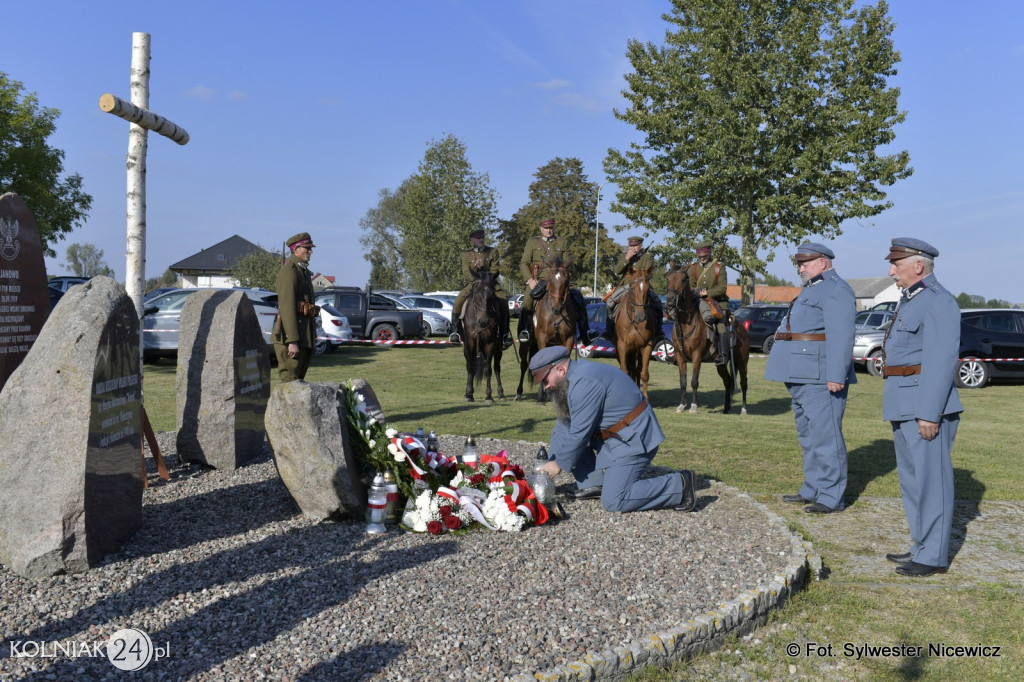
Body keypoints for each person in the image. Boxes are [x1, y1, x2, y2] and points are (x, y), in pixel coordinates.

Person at [529, 345, 697, 512]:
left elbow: (580, 433)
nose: (546, 387)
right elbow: (565, 428)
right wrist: (544, 474)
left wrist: (557, 464)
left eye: (545, 380)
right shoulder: (574, 376)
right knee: (563, 430)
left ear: (560, 370)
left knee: (614, 501)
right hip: (613, 436)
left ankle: (680, 484)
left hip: (633, 439)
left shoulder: (584, 382)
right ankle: (599, 483)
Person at [881, 238, 962, 577]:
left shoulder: (938, 301)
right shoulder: (912, 299)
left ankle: (933, 556)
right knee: (913, 482)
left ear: (918, 266)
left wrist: (930, 412)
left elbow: (941, 361)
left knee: (932, 483)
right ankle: (921, 545)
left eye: (896, 265)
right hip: (903, 400)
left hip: (923, 406)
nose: (891, 271)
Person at [764, 242, 856, 514]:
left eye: (806, 262)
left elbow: (842, 335)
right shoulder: (814, 288)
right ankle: (813, 488)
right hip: (802, 373)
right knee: (809, 435)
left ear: (823, 263)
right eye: (799, 263)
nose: (800, 267)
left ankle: (830, 496)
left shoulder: (836, 289)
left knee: (826, 437)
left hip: (819, 375)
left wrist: (836, 375)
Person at [517, 217, 592, 344]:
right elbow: (524, 263)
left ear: (554, 228)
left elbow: (567, 262)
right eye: (546, 228)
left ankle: (586, 332)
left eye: (551, 228)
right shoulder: (532, 243)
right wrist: (529, 280)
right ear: (541, 229)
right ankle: (525, 331)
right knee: (528, 301)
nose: (548, 231)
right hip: (540, 280)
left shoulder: (562, 242)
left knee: (579, 298)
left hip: (559, 280)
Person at [449, 229, 513, 348]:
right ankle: (455, 332)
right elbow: (466, 272)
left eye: (482, 237)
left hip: (490, 283)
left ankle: (504, 335)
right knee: (458, 302)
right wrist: (476, 281)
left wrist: (487, 280)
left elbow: (495, 269)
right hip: (473, 284)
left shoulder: (492, 251)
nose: (481, 240)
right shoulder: (467, 255)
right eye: (478, 238)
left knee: (503, 301)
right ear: (472, 240)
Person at [273, 232, 319, 382]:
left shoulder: (302, 271)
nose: (310, 251)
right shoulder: (290, 271)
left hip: (303, 336)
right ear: (296, 249)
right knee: (289, 382)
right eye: (307, 248)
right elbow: (286, 307)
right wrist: (292, 340)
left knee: (298, 382)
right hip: (293, 338)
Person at [605, 236, 664, 336]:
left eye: (635, 246)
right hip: (625, 286)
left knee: (658, 304)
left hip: (641, 286)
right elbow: (617, 271)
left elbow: (649, 273)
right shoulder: (624, 256)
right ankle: (609, 330)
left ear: (640, 246)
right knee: (610, 303)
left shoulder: (647, 256)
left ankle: (658, 330)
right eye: (631, 246)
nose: (632, 248)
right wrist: (627, 258)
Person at [688, 241, 731, 365]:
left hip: (717, 303)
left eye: (704, 255)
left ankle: (723, 355)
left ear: (709, 252)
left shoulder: (719, 267)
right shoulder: (693, 268)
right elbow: (690, 287)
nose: (702, 258)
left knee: (720, 325)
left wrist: (706, 293)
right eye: (699, 256)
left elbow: (722, 288)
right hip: (698, 303)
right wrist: (695, 291)